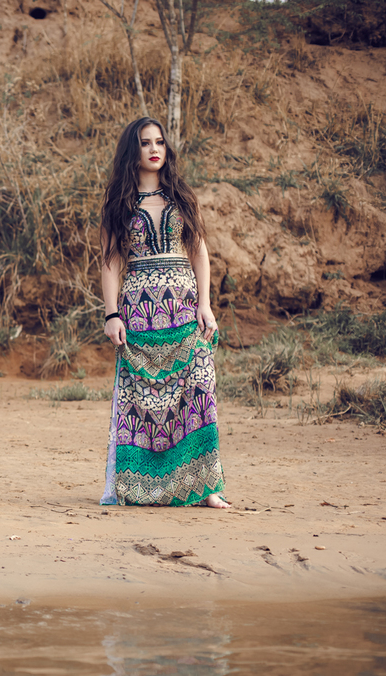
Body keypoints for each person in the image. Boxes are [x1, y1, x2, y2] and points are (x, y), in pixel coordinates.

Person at [98, 117, 230, 508]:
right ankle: (143, 486)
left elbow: (199, 252)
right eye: (144, 142)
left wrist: (205, 304)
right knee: (144, 403)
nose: (154, 148)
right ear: (132, 150)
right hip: (139, 314)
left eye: (159, 141)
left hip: (185, 311)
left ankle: (206, 487)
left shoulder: (181, 198)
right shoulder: (118, 204)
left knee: (199, 389)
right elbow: (108, 262)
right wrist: (111, 315)